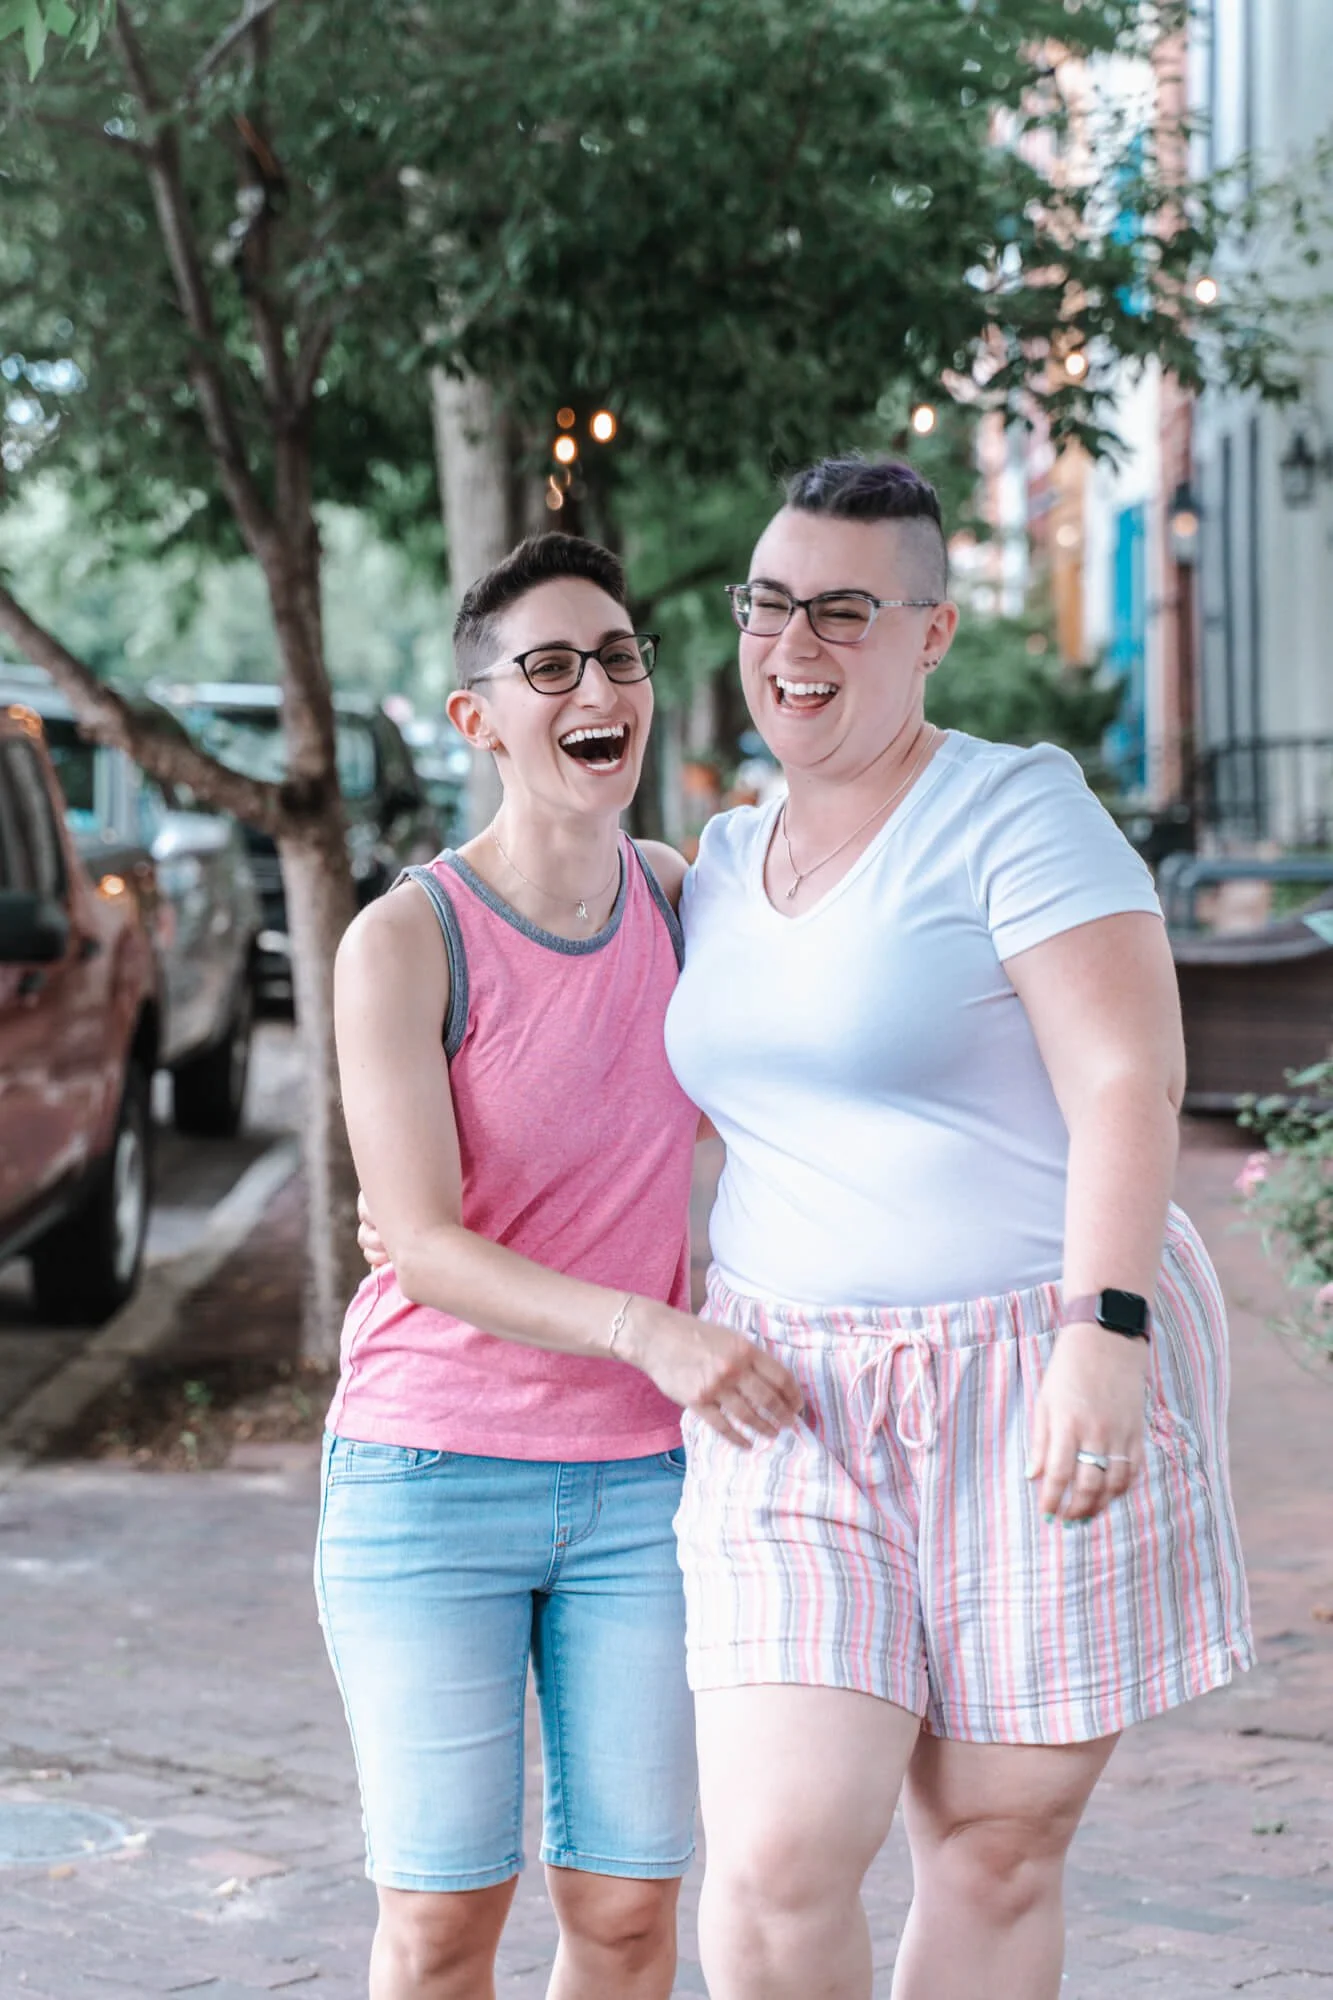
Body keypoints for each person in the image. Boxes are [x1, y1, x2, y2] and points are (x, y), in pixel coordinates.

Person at [661, 455, 1254, 2000]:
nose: (795, 643)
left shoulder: (1014, 810)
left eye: (843, 610)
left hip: (1032, 1371)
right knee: (777, 1858)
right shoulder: (715, 866)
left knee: (995, 1844)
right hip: (788, 1398)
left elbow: (1129, 1075)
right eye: (769, 604)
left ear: (930, 633)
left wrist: (1103, 1335)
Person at [318, 531, 801, 2000]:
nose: (598, 689)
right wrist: (652, 1328)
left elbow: (792, 1087)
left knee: (628, 1913)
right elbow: (425, 1244)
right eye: (550, 667)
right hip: (430, 1474)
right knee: (442, 1929)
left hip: (645, 1491)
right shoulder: (405, 941)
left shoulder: (682, 899)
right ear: (479, 717)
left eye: (618, 657)